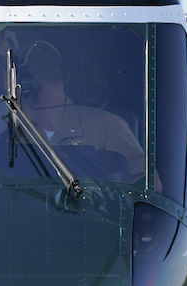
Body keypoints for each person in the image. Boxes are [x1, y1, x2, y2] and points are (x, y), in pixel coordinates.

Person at [19, 40, 146, 183]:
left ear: (30, 89)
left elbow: (148, 185)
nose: (13, 96)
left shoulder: (105, 126)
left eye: (19, 88)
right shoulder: (15, 135)